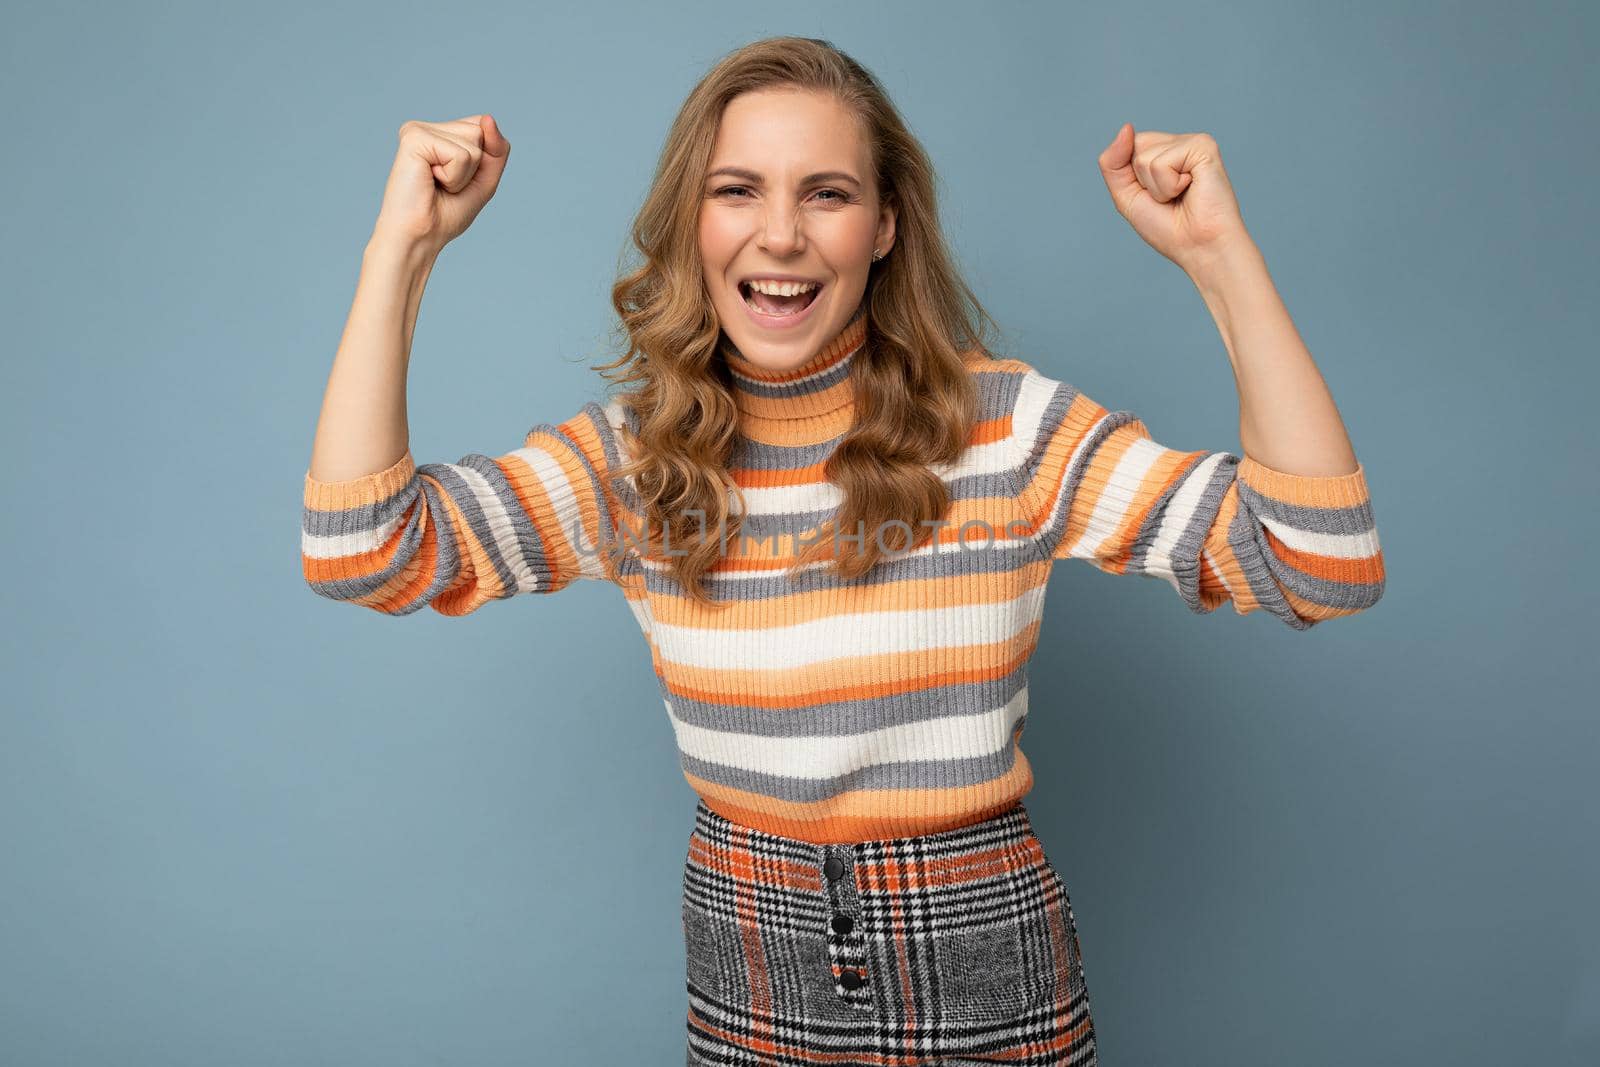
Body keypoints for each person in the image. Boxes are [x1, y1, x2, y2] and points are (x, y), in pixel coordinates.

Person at [301, 35, 1385, 1067]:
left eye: (826, 192)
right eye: (737, 190)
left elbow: (1317, 562)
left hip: (985, 967)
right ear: (691, 223)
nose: (780, 235)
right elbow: (363, 548)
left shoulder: (1005, 431)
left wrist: (1217, 256)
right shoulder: (636, 462)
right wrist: (401, 251)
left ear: (884, 225)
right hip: (746, 958)